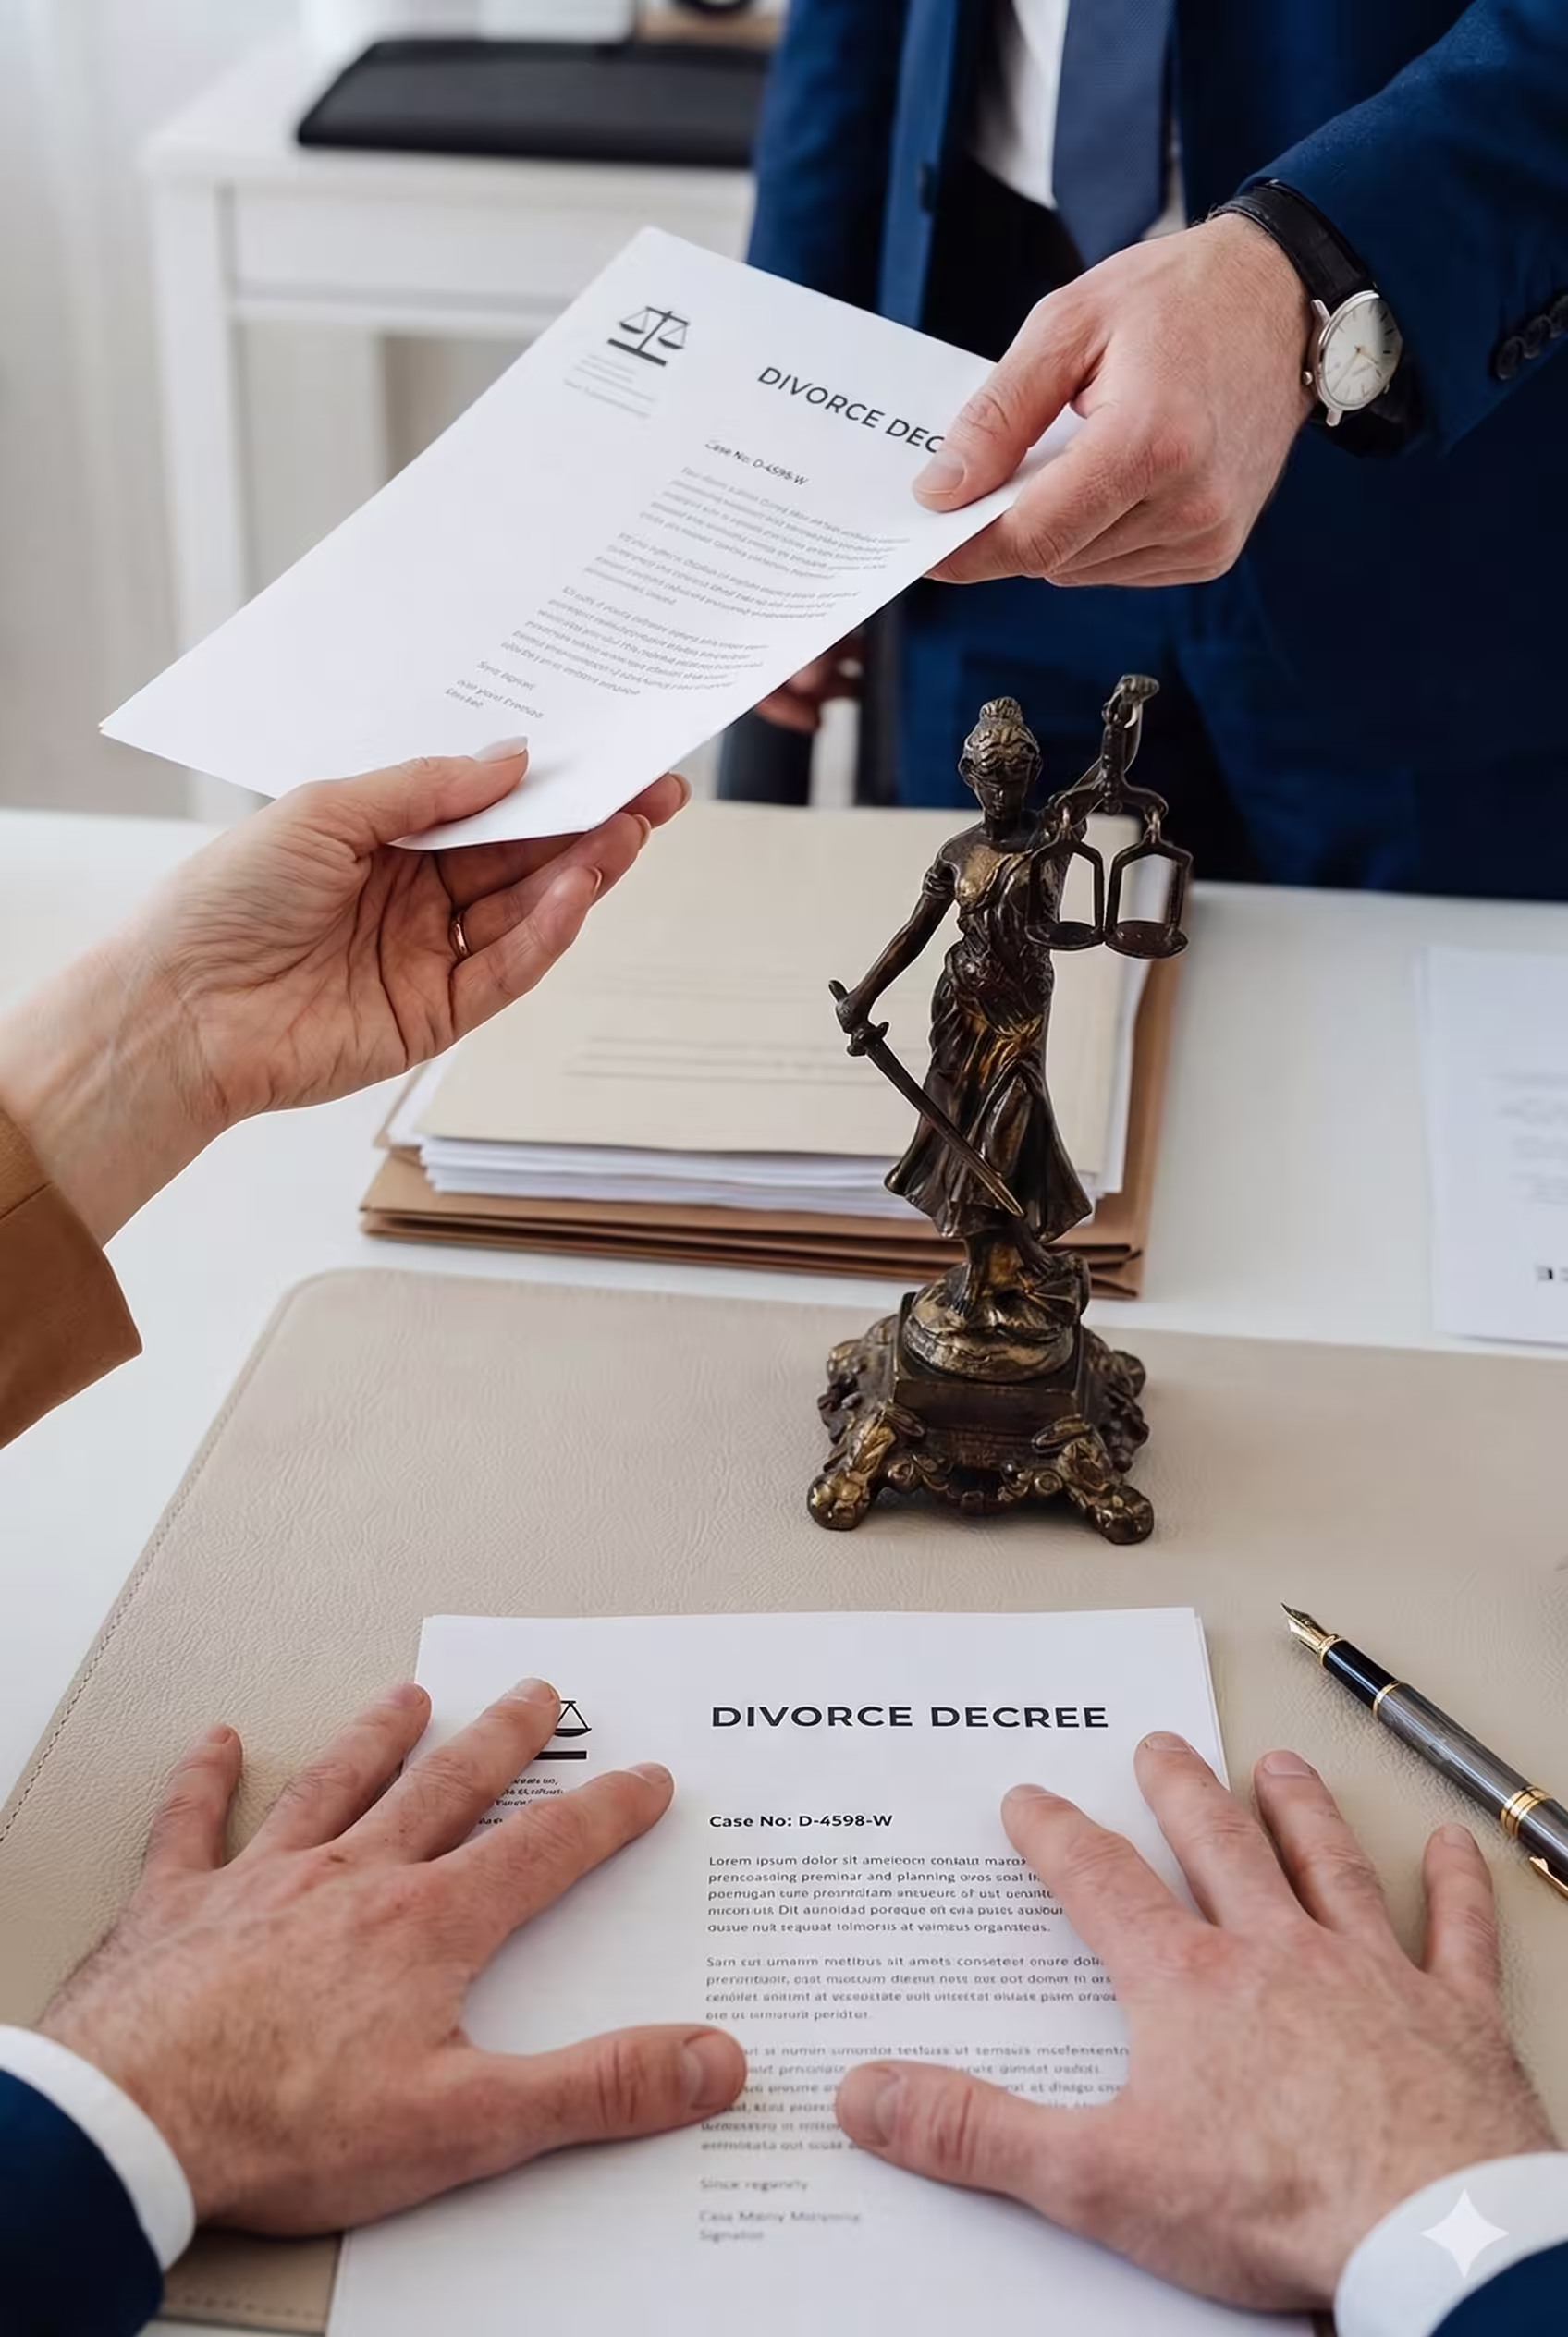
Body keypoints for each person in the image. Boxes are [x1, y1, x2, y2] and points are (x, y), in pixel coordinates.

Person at [2, 743, 1563, 2331]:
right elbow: (907, 939)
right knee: (973, 1177)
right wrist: (1461, 2221)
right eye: (991, 768)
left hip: (1016, 1024)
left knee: (1015, 1180)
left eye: (1015, 768)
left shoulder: (1044, 849)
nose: (1000, 781)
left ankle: (1004, 1282)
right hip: (964, 1025)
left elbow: (1085, 860)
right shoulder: (964, 860)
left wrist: (164, 1027)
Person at [735, 0, 1568, 900]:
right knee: (998, 968)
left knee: (1412, 978)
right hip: (992, 430)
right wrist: (790, 419)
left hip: (1442, 464)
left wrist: (1308, 262)